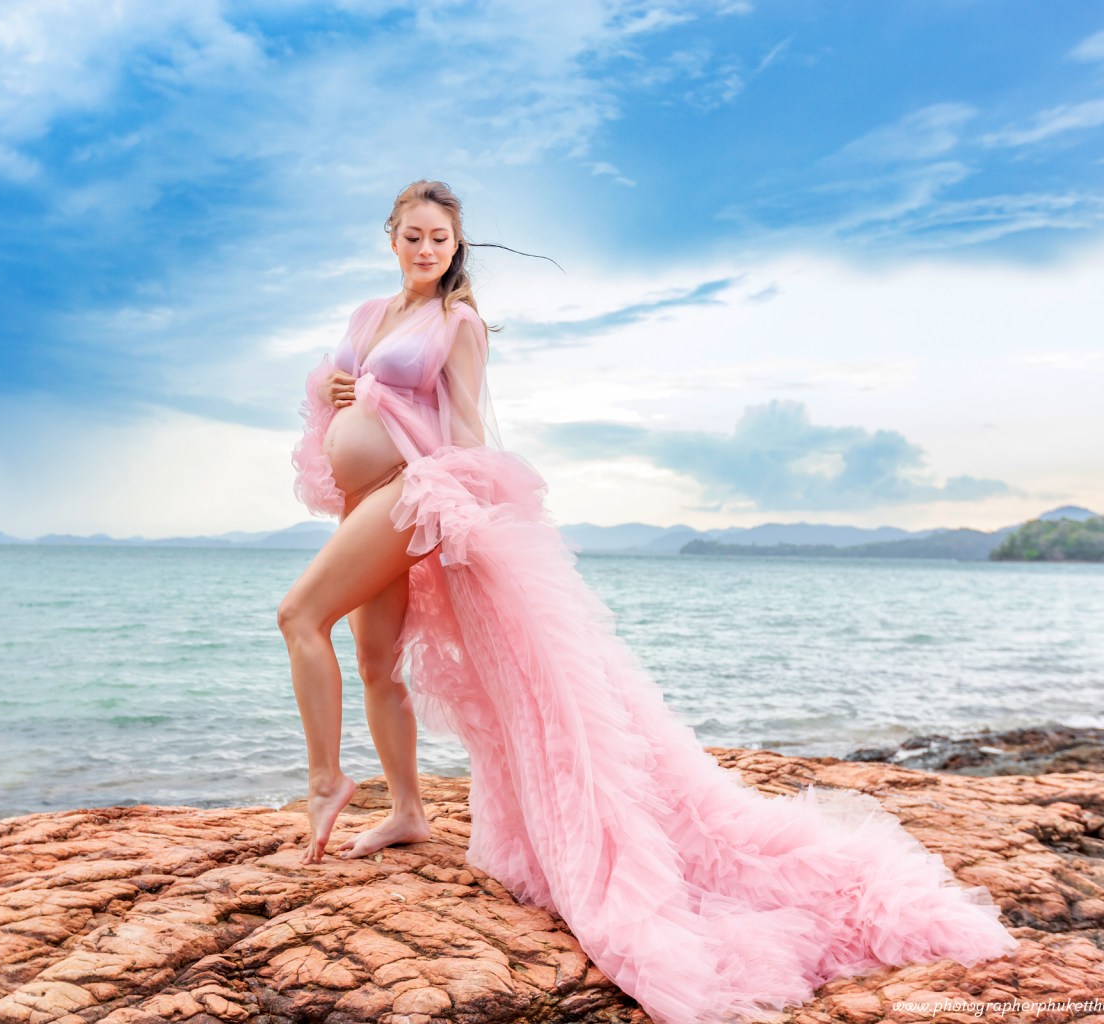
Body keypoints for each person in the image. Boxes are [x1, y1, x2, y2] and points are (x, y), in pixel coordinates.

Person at [277, 179, 1020, 1024]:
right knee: (378, 661)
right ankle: (408, 810)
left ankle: (325, 781)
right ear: (392, 237)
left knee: (299, 617)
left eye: (439, 240)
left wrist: (484, 518)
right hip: (362, 497)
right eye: (412, 236)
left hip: (412, 494)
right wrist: (343, 397)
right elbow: (336, 391)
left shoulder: (460, 323)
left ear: (457, 247)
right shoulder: (370, 312)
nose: (425, 250)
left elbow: (469, 427)